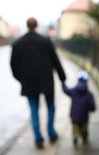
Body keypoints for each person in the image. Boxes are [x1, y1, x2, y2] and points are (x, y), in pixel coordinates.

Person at [10, 17, 66, 148]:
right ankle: (51, 134)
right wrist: (62, 77)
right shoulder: (46, 41)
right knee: (50, 107)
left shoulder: (18, 43)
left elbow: (13, 65)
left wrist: (20, 78)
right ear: (36, 26)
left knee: (34, 110)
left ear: (27, 25)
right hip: (46, 80)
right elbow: (55, 60)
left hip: (29, 82)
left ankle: (38, 138)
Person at [62, 70, 95, 145]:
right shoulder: (89, 94)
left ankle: (75, 136)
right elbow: (92, 106)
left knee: (75, 128)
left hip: (74, 116)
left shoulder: (73, 91)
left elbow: (66, 90)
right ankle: (84, 137)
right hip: (84, 116)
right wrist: (91, 109)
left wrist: (63, 82)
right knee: (84, 129)